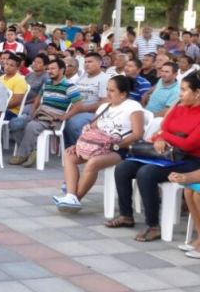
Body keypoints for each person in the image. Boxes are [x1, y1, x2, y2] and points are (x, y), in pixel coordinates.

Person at [107, 72, 200, 242]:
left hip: (190, 160)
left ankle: (153, 226)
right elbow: (161, 129)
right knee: (123, 168)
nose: (180, 94)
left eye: (184, 90)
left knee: (146, 173)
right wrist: (161, 137)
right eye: (180, 89)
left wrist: (165, 136)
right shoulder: (179, 107)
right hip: (166, 154)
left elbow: (188, 145)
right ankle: (126, 215)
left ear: (197, 93)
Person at [54, 75, 144, 212]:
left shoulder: (133, 106)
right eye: (107, 89)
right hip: (98, 146)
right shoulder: (104, 107)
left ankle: (75, 199)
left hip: (119, 148)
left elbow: (138, 134)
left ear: (123, 93)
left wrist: (117, 146)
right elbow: (93, 129)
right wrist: (79, 145)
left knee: (93, 162)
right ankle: (70, 195)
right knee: (69, 155)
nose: (108, 94)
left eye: (112, 91)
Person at [10, 58, 82, 168]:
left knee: (31, 126)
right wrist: (33, 111)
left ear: (62, 70)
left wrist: (64, 116)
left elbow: (79, 105)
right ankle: (33, 150)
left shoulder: (69, 86)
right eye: (48, 69)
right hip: (40, 114)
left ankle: (22, 155)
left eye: (53, 68)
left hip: (54, 119)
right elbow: (38, 98)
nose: (49, 71)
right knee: (15, 123)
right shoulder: (47, 83)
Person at [63, 52, 109, 147]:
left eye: (90, 62)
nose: (87, 64)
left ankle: (85, 148)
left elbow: (105, 102)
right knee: (59, 118)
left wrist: (83, 109)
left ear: (100, 63)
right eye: (85, 62)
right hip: (77, 109)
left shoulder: (104, 78)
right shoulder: (83, 77)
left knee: (73, 123)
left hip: (94, 113)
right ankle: (68, 147)